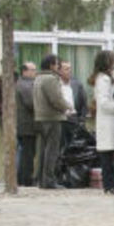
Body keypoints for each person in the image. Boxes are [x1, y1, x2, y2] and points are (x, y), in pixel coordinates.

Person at [32, 55, 73, 189]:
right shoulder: (51, 79)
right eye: (57, 65)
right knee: (52, 150)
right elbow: (56, 99)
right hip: (52, 118)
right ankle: (49, 180)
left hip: (40, 117)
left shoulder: (37, 78)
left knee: (42, 150)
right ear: (51, 65)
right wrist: (68, 106)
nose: (58, 68)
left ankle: (41, 179)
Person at [90, 51, 114, 195]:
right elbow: (103, 102)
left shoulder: (111, 77)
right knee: (108, 155)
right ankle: (110, 185)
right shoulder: (102, 79)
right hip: (109, 121)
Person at [14, 62, 38, 187]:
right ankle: (26, 179)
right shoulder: (25, 85)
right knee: (27, 154)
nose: (35, 72)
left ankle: (22, 178)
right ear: (24, 71)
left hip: (25, 124)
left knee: (26, 153)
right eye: (32, 70)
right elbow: (31, 103)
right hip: (27, 125)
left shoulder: (22, 83)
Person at [59, 60, 89, 146]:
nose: (69, 71)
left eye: (70, 69)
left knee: (75, 146)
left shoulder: (77, 84)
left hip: (74, 120)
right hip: (61, 120)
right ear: (60, 71)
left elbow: (84, 103)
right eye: (66, 69)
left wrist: (82, 119)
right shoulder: (56, 84)